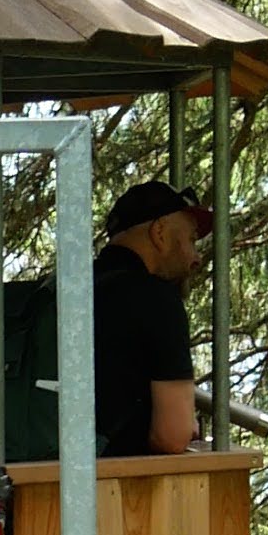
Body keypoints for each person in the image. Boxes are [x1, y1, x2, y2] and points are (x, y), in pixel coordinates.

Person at [93, 177, 213, 456]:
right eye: (191, 240)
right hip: (110, 487)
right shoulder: (156, 299)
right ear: (159, 232)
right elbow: (172, 438)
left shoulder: (68, 287)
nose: (196, 258)